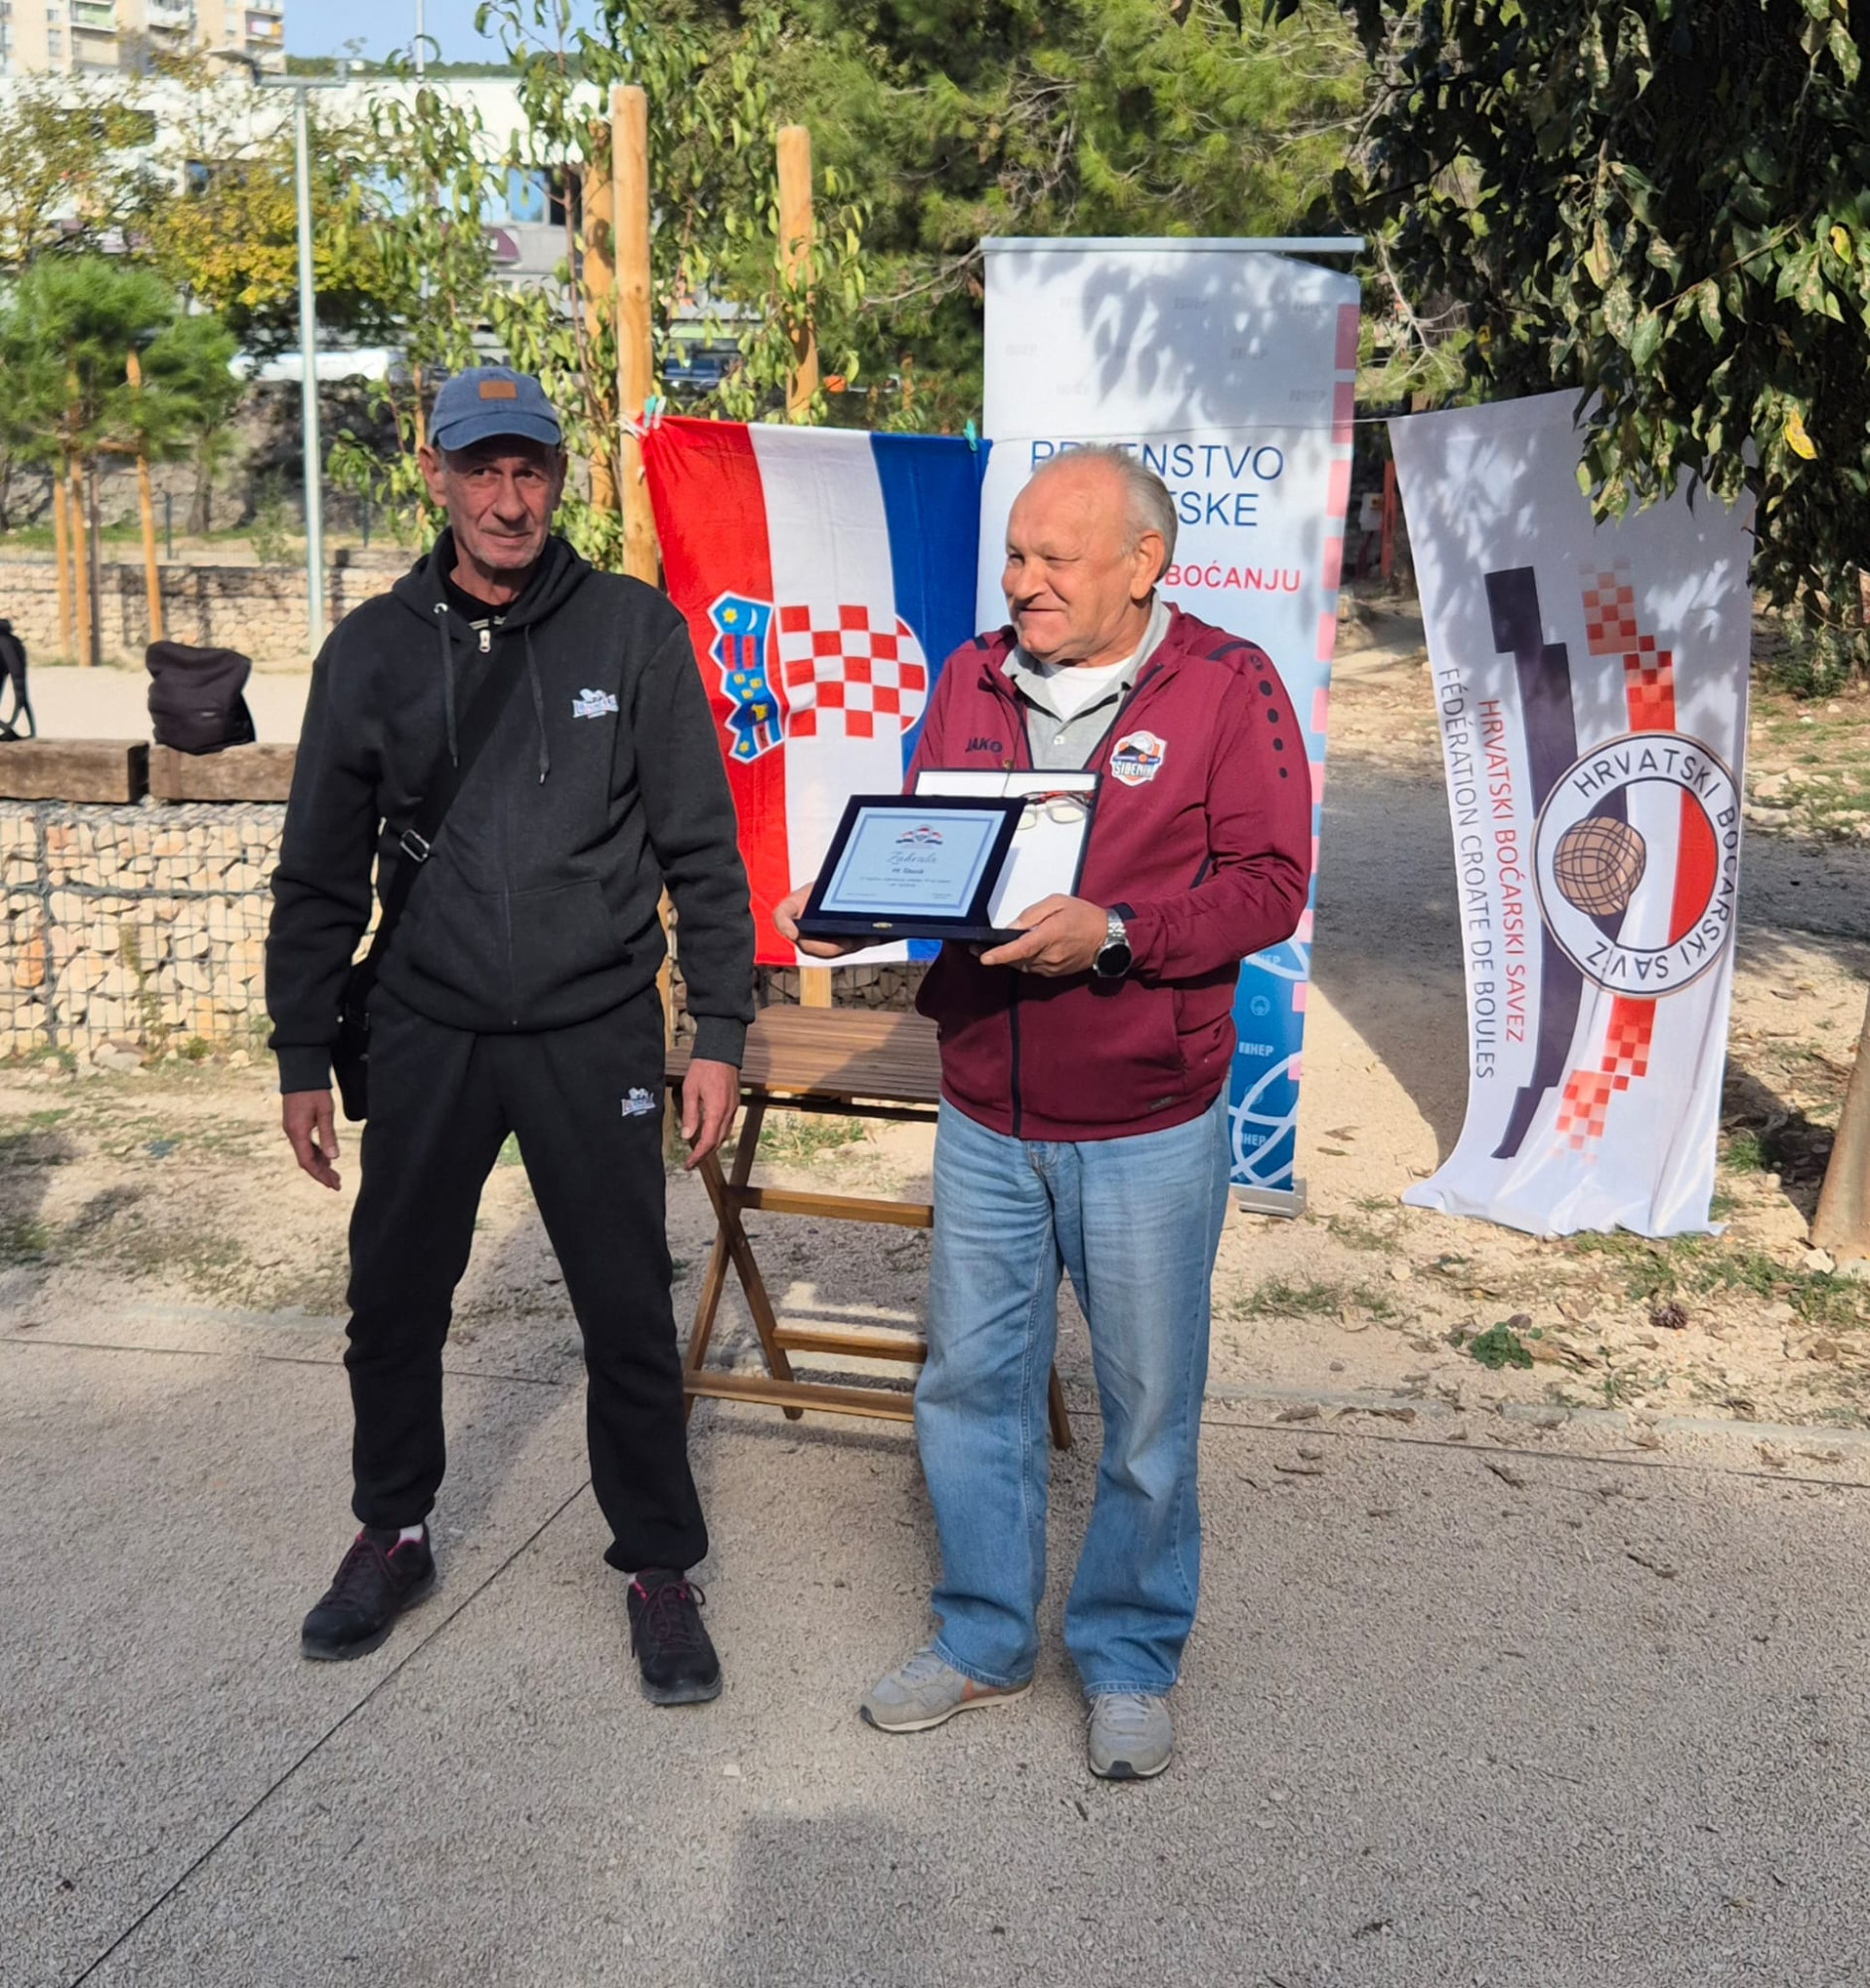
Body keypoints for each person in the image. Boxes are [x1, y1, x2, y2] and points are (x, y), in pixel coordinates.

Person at [777, 447, 1310, 1779]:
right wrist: (845, 908)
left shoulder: (1228, 683)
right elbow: (933, 859)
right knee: (970, 1388)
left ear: (1143, 564)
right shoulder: (969, 677)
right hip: (986, 1114)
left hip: (1145, 1120)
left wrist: (1117, 933)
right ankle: (981, 1639)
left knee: (1146, 1412)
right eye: (1015, 556)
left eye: (1054, 559)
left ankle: (1128, 1656)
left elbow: (1269, 884)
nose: (1022, 582)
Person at [266, 367, 754, 1704]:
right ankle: (394, 1529)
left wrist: (718, 1028)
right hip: (427, 1026)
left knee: (625, 1309)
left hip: (594, 1029)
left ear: (556, 477)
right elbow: (318, 872)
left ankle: (658, 1565)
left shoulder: (633, 632)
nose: (505, 497)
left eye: (527, 468)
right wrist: (302, 1052)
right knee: (392, 1298)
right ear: (435, 474)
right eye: (479, 468)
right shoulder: (371, 649)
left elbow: (703, 850)